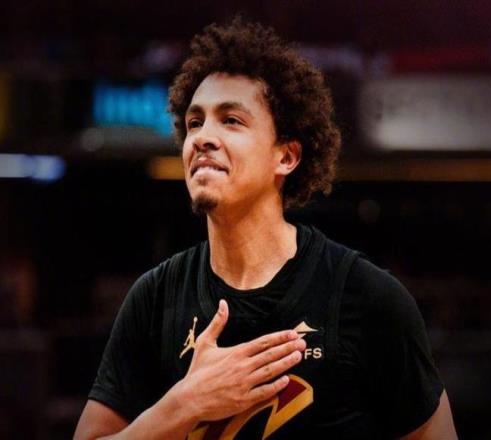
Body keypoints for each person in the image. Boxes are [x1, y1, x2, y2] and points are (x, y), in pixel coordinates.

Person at [75, 18, 457, 439]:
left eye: (231, 120)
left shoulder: (368, 299)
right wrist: (184, 404)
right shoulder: (154, 299)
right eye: (195, 122)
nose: (202, 137)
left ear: (286, 157)